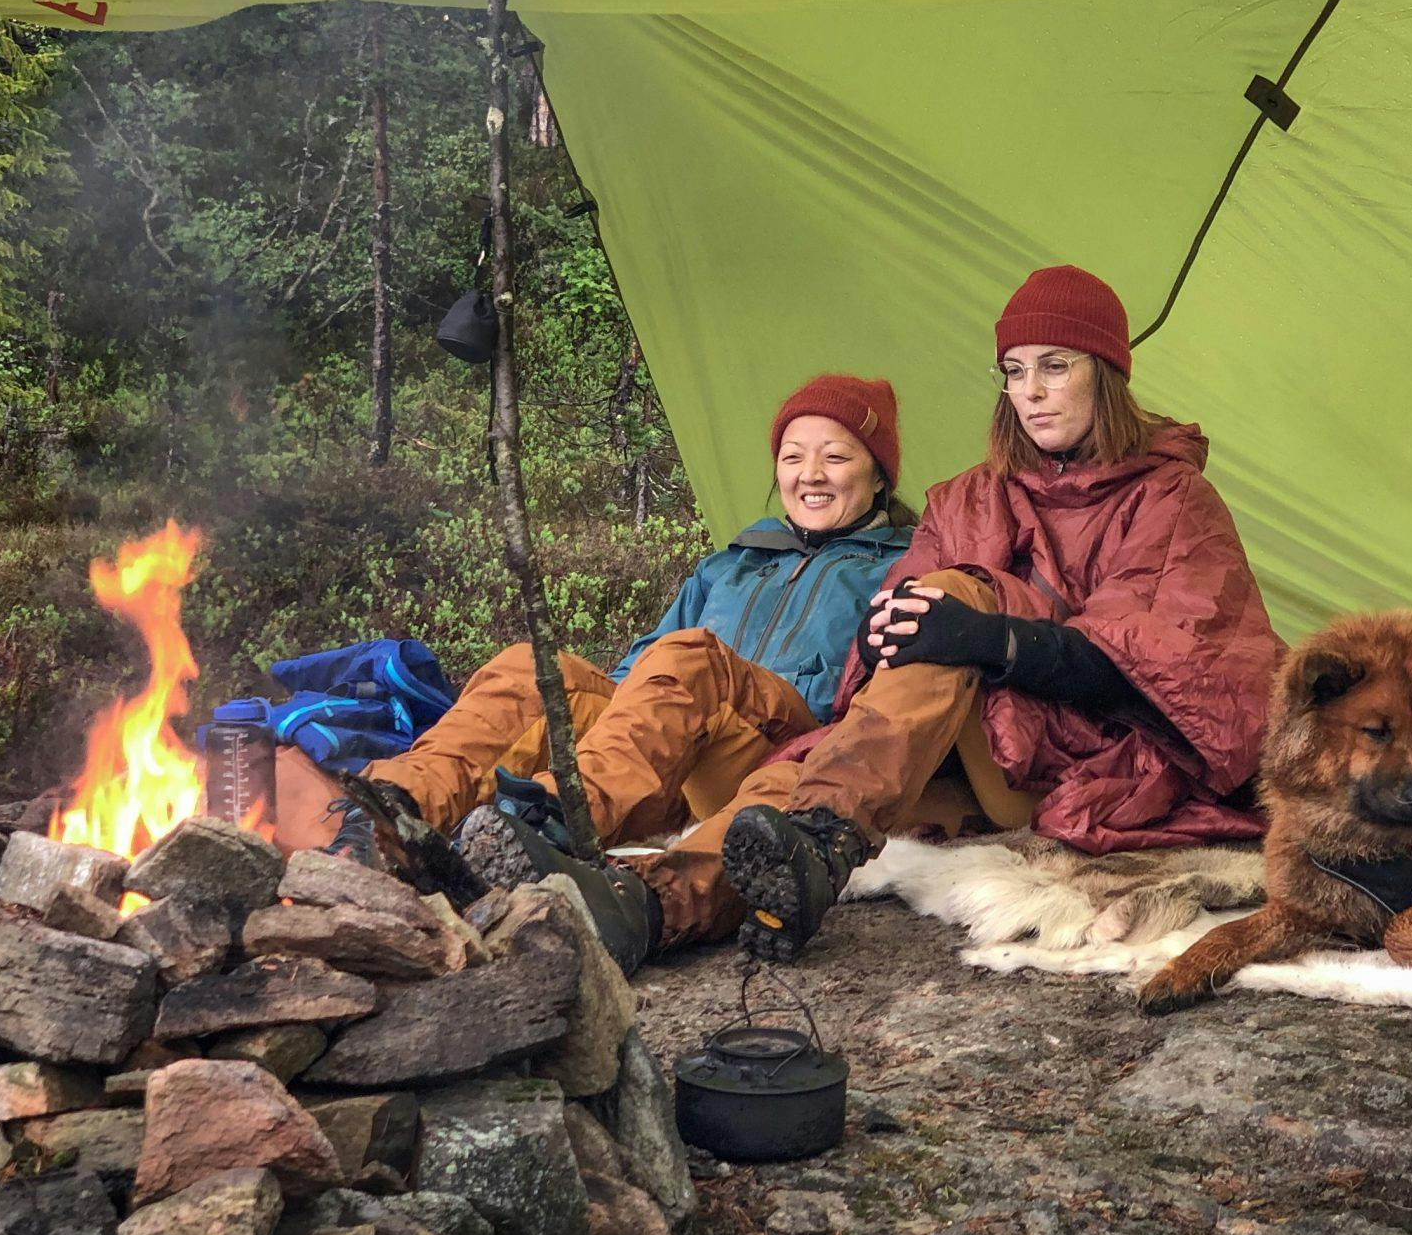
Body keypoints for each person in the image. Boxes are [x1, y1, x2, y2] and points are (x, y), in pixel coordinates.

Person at [484, 264, 1284, 965]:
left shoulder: (1172, 499)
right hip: (945, 754)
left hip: (1082, 753)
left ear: (1104, 371)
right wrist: (889, 626)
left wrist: (994, 637)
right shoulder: (971, 495)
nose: (1031, 391)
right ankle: (659, 905)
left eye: (1054, 366)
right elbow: (887, 641)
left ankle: (827, 831)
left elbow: (1190, 668)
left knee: (959, 601)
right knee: (791, 789)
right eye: (1013, 370)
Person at [282, 373, 913, 970]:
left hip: (784, 750)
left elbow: (893, 705)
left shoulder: (898, 567)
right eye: (793, 457)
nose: (810, 476)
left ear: (879, 475)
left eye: (835, 457)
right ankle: (387, 816)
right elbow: (640, 674)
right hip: (674, 752)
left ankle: (553, 828)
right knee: (535, 667)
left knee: (691, 655)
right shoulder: (732, 563)